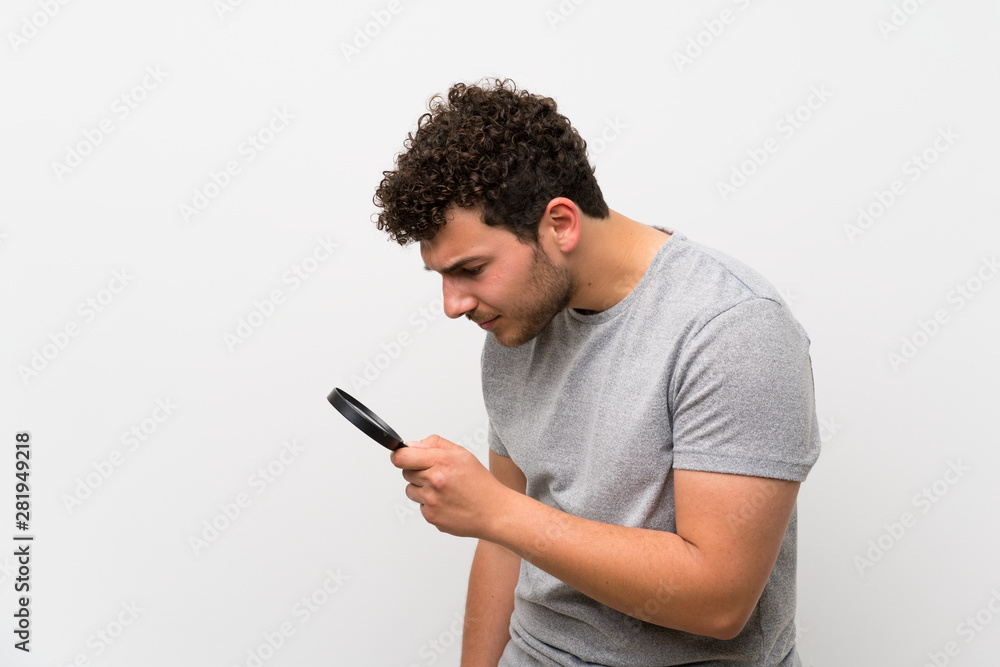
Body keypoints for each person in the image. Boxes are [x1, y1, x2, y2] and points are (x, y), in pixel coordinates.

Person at [375, 78, 821, 666]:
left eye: (472, 269)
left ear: (560, 224)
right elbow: (504, 542)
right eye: (441, 276)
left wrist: (496, 510)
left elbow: (719, 600)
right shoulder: (516, 326)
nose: (453, 305)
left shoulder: (732, 328)